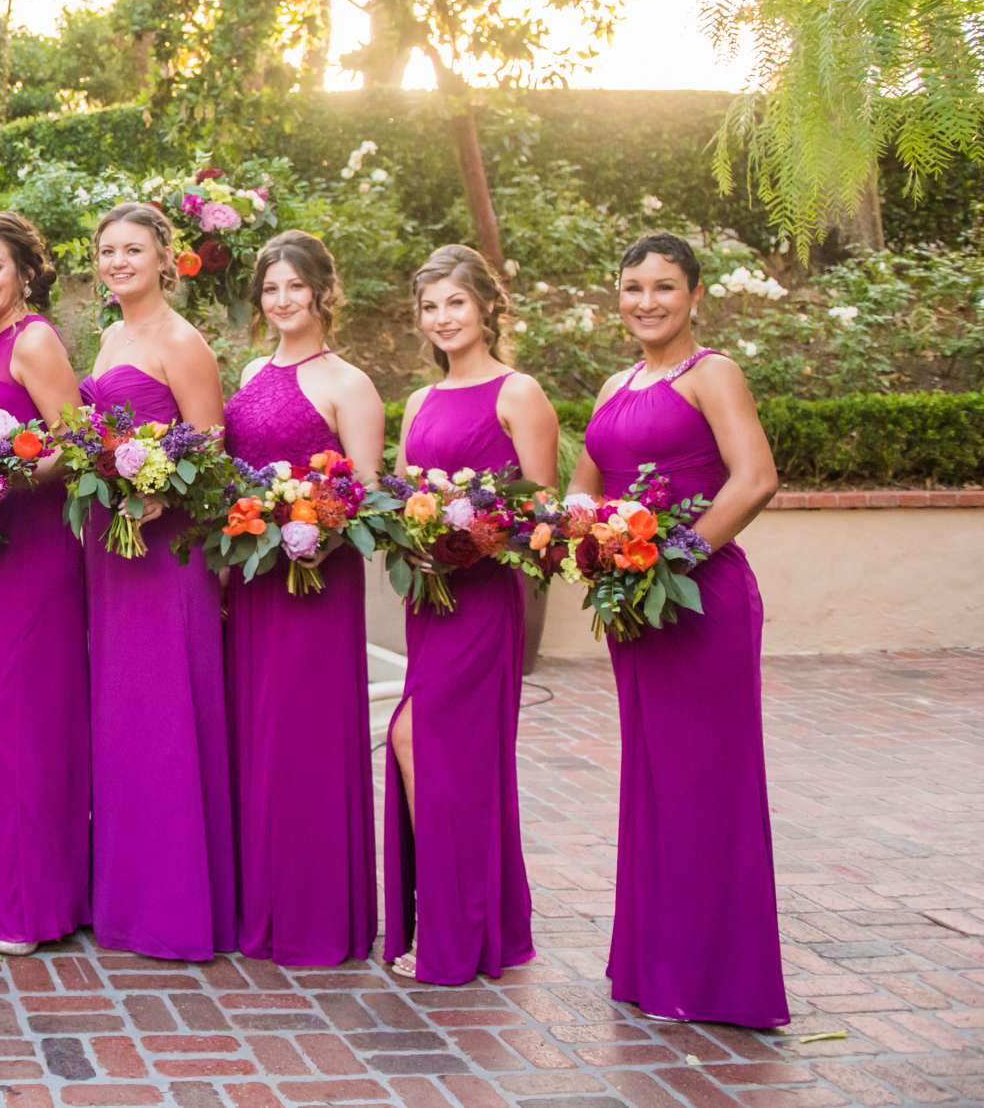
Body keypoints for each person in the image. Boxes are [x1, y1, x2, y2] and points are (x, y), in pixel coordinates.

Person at [571, 232, 787, 1028]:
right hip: (636, 607)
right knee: (657, 781)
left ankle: (718, 978)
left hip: (700, 601)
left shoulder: (713, 373)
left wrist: (670, 555)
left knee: (706, 782)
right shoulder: (614, 384)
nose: (647, 302)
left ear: (695, 296)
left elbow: (756, 477)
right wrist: (575, 537)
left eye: (665, 287)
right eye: (634, 287)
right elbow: (584, 486)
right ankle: (656, 963)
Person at [385, 244, 554, 985]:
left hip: (483, 599)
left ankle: (455, 927)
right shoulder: (421, 402)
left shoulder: (518, 393)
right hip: (429, 598)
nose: (443, 318)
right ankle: (469, 922)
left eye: (455, 302)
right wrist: (413, 536)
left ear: (486, 306)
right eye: (430, 307)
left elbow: (542, 517)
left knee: (417, 739)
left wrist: (475, 540)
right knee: (438, 752)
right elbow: (401, 494)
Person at [77, 203, 235, 960]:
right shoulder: (108, 336)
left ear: (165, 258)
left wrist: (161, 491)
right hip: (110, 547)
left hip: (166, 554)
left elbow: (210, 444)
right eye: (107, 251)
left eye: (132, 250)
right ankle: (126, 898)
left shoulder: (183, 341)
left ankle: (175, 909)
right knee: (121, 714)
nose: (117, 262)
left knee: (166, 709)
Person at [223, 229, 384, 967]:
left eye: (295, 286)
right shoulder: (254, 368)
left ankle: (316, 915)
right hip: (253, 582)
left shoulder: (349, 384)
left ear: (322, 290)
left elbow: (367, 498)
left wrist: (310, 522)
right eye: (271, 289)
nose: (283, 300)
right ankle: (260, 902)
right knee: (253, 735)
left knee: (305, 738)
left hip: (315, 586)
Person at [0, 213, 90, 957]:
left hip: (32, 554)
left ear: (24, 270)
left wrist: (4, 479)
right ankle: (1, 891)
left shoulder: (35, 339)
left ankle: (31, 906)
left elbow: (75, 442)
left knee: (21, 717)